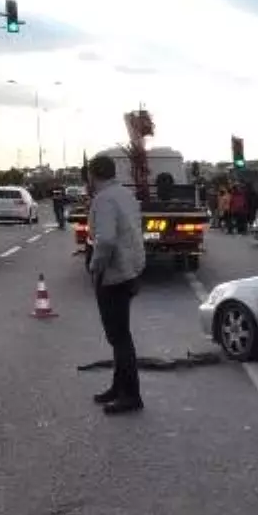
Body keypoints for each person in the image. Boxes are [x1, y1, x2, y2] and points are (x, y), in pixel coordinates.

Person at [87, 154, 146, 415]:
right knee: (120, 335)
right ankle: (118, 387)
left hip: (114, 274)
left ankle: (131, 395)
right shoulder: (124, 194)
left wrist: (95, 266)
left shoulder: (104, 199)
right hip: (131, 270)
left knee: (119, 337)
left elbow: (107, 240)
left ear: (93, 174)